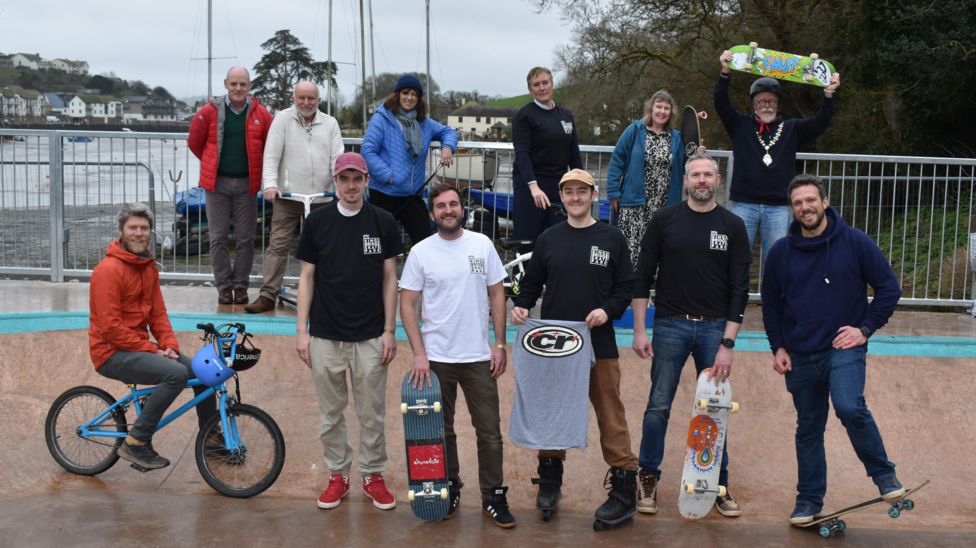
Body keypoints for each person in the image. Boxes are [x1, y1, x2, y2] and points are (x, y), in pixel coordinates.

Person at [761, 174, 904, 524]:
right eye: (797, 203)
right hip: (799, 354)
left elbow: (888, 288)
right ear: (792, 209)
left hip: (843, 348)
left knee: (848, 405)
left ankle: (884, 475)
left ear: (825, 202)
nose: (805, 208)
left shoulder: (854, 242)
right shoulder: (781, 252)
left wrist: (865, 329)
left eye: (811, 200)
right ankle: (809, 502)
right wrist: (778, 346)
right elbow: (770, 305)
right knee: (808, 427)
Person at [511, 168, 638, 526]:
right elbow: (531, 282)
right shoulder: (549, 238)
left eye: (582, 191)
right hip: (555, 346)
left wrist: (607, 310)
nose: (576, 197)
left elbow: (625, 288)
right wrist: (521, 304)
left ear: (593, 195)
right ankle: (550, 480)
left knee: (611, 414)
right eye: (569, 192)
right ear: (561, 197)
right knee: (553, 412)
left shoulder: (612, 238)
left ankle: (625, 487)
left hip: (599, 341)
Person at [631, 151, 750, 517]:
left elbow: (739, 288)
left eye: (708, 175)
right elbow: (641, 276)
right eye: (695, 174)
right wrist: (639, 329)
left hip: (715, 328)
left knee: (715, 411)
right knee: (659, 406)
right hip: (669, 324)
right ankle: (648, 478)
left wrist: (728, 343)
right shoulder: (665, 220)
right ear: (685, 180)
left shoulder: (733, 225)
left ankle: (717, 485)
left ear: (718, 181)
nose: (701, 180)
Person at [399, 183, 515, 528]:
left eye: (453, 204)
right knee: (440, 430)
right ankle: (449, 486)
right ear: (432, 213)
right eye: (441, 206)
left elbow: (497, 295)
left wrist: (500, 344)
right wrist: (419, 353)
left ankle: (493, 496)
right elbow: (407, 305)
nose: (448, 210)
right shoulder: (421, 252)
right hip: (436, 359)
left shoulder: (481, 245)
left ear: (461, 208)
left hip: (479, 356)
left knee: (489, 432)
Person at [295, 152, 401, 511]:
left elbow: (390, 278)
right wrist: (301, 331)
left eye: (357, 179)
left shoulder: (384, 222)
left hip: (371, 334)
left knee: (372, 413)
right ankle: (338, 475)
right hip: (325, 334)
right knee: (331, 414)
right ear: (335, 182)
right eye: (344, 179)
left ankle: (372, 474)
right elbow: (306, 278)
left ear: (367, 181)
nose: (351, 186)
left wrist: (390, 329)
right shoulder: (317, 222)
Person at [89, 203, 217, 470]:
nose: (139, 233)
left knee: (204, 374)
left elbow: (158, 315)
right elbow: (110, 327)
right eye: (132, 228)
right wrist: (151, 349)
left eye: (144, 228)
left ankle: (212, 440)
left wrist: (168, 346)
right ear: (121, 231)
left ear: (151, 232)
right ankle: (136, 442)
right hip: (111, 353)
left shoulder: (147, 267)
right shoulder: (108, 270)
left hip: (139, 347)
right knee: (176, 375)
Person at [715, 50, 840, 262]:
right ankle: (735, 296)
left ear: (777, 104)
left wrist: (828, 95)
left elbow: (820, 122)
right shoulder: (740, 124)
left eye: (771, 101)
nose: (767, 105)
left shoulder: (791, 128)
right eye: (762, 101)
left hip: (778, 207)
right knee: (735, 258)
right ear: (754, 104)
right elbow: (721, 103)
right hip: (744, 204)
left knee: (778, 260)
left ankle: (774, 296)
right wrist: (725, 72)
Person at [245, 81, 343, 314]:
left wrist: (339, 185)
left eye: (311, 98)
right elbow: (271, 156)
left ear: (318, 100)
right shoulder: (282, 120)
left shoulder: (330, 123)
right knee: (278, 244)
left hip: (320, 197)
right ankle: (268, 294)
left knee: (324, 246)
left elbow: (337, 159)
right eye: (302, 98)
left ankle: (324, 292)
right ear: (294, 98)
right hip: (288, 196)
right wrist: (270, 185)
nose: (306, 103)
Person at [188, 66, 272, 305]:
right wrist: (211, 163)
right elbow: (195, 142)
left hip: (247, 184)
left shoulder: (262, 115)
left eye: (242, 84)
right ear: (225, 84)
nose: (238, 88)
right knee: (218, 237)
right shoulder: (208, 112)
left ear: (249, 86)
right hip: (217, 183)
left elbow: (270, 146)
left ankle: (241, 287)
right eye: (233, 84)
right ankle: (224, 287)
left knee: (246, 238)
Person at [361, 74, 458, 247]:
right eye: (405, 93)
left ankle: (419, 275)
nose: (409, 97)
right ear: (397, 95)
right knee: (378, 245)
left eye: (414, 94)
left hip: (412, 195)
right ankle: (380, 274)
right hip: (384, 193)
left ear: (419, 98)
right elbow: (368, 152)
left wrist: (447, 148)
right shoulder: (381, 119)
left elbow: (448, 132)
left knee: (425, 243)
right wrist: (390, 177)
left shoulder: (424, 122)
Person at [606, 89, 687, 270]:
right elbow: (617, 160)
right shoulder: (635, 130)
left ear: (671, 112)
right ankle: (626, 295)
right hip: (634, 204)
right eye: (659, 106)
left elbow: (687, 163)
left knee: (658, 254)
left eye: (666, 108)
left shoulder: (676, 138)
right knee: (629, 254)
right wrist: (613, 192)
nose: (662, 111)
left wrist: (699, 149)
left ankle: (649, 295)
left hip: (663, 207)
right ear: (651, 108)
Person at [511, 67, 583, 250]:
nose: (542, 87)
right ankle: (525, 276)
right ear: (530, 90)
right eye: (536, 85)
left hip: (558, 185)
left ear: (552, 84)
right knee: (529, 240)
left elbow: (573, 153)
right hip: (531, 186)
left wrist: (582, 186)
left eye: (545, 82)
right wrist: (533, 187)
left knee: (557, 239)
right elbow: (522, 154)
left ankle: (553, 279)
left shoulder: (566, 116)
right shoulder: (524, 116)